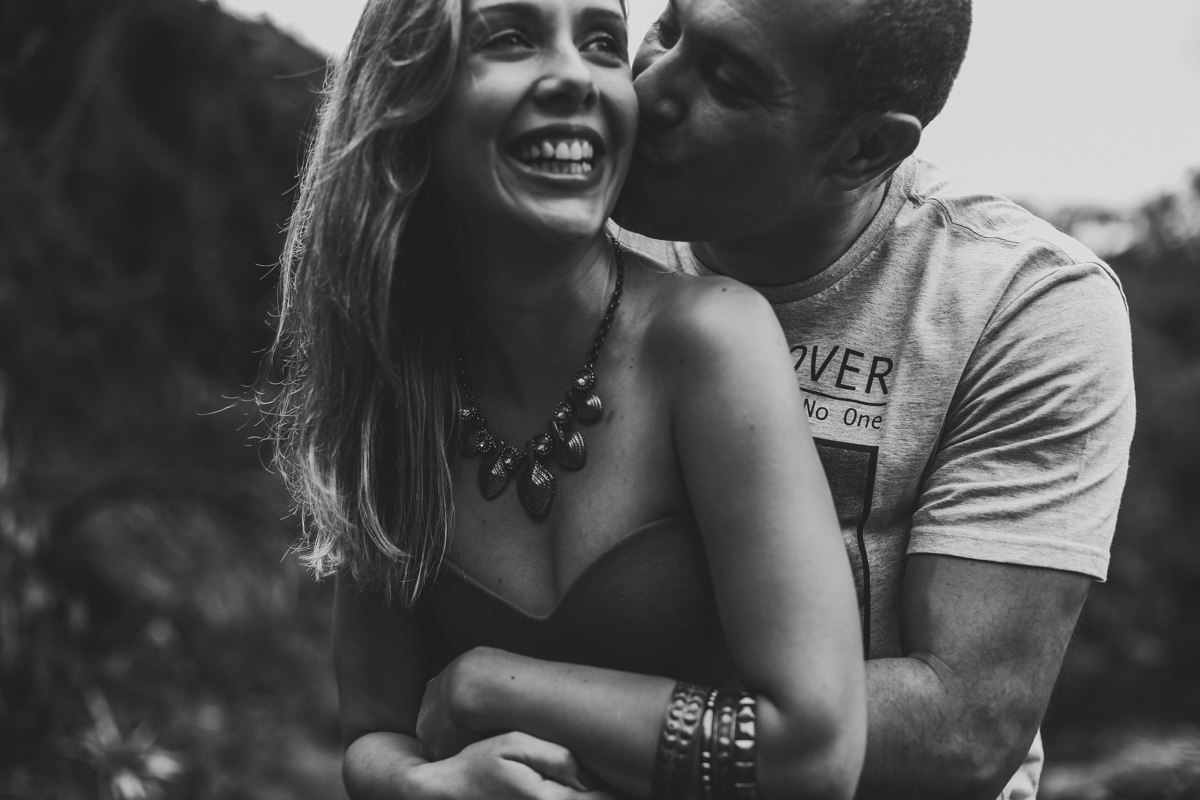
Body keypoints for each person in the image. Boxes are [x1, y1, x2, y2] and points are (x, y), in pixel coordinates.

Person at [264, 0, 869, 797]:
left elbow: (815, 752)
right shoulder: (395, 375)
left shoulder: (710, 341)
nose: (576, 78)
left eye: (602, 43)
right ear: (410, 97)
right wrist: (424, 786)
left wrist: (493, 687)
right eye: (513, 37)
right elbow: (374, 730)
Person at [605, 0, 1136, 798]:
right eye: (669, 28)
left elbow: (964, 728)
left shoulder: (1019, 304)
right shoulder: (567, 222)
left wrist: (515, 699)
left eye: (727, 80)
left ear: (866, 148)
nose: (648, 90)